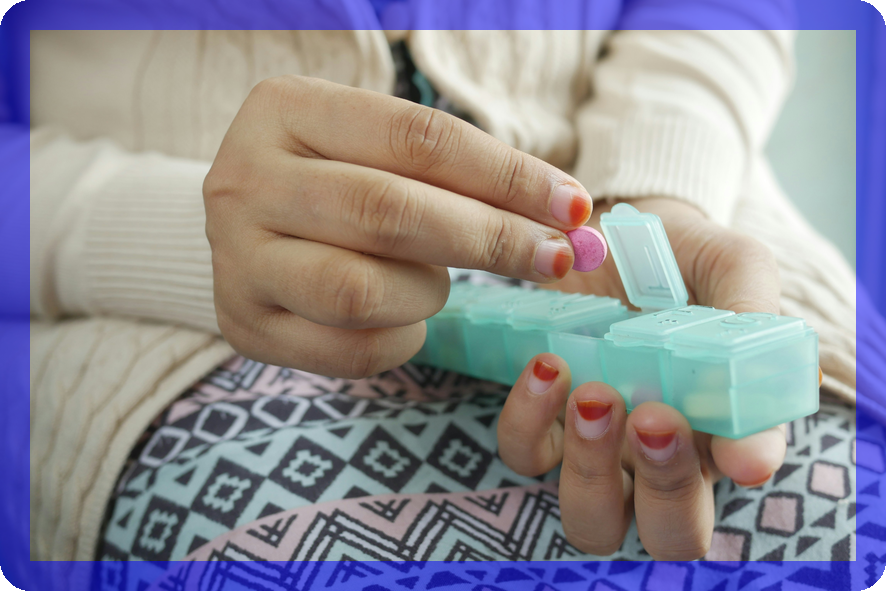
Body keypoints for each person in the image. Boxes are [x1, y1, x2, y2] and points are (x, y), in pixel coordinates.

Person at [16, 2, 857, 581]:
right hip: (164, 313)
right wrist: (198, 233)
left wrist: (659, 185)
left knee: (840, 529)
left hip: (663, 196)